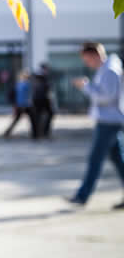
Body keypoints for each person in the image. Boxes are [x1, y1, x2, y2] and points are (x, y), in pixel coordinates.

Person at [66, 43, 124, 209]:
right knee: (118, 160)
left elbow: (107, 97)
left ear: (95, 55)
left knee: (95, 160)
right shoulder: (107, 69)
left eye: (87, 59)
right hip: (110, 120)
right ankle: (81, 196)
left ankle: (82, 196)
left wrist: (86, 86)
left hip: (109, 122)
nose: (87, 63)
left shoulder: (110, 70)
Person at [3, 70, 38, 139]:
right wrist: (25, 104)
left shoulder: (19, 84)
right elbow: (24, 96)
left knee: (18, 119)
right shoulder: (26, 84)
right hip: (25, 105)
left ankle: (7, 132)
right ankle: (35, 134)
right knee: (32, 119)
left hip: (21, 105)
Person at [32, 63, 55, 139]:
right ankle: (40, 133)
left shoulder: (40, 76)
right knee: (38, 116)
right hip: (40, 99)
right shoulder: (40, 76)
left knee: (46, 114)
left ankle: (42, 132)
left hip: (41, 99)